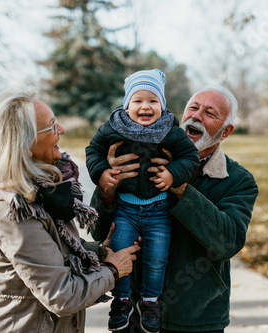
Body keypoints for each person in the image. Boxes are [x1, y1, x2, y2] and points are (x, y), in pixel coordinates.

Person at [0, 87, 140, 333]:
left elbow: (48, 253)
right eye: (52, 125)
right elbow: (62, 296)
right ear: (24, 144)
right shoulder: (17, 214)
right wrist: (112, 269)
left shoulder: (34, 192)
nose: (62, 130)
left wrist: (98, 252)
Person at [90, 85, 259, 333]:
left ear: (225, 132)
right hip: (136, 314)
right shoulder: (133, 157)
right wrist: (108, 187)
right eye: (193, 107)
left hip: (197, 320)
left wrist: (181, 188)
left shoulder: (237, 180)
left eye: (210, 113)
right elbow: (98, 232)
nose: (197, 116)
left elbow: (228, 242)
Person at [85, 69, 200, 332]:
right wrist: (102, 172)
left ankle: (150, 301)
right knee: (121, 253)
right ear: (127, 105)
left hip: (159, 209)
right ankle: (122, 300)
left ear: (162, 105)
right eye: (138, 101)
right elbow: (93, 151)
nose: (145, 106)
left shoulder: (170, 130)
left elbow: (189, 158)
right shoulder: (114, 127)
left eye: (153, 101)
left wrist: (173, 173)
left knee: (157, 258)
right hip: (125, 207)